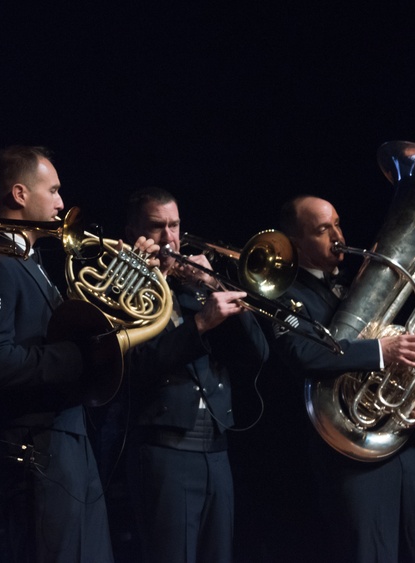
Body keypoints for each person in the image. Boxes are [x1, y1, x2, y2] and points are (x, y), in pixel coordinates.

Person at [0, 145, 159, 563]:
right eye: (52, 190)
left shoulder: (31, 262)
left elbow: (73, 331)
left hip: (68, 438)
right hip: (36, 445)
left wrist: (127, 282)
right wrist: (77, 357)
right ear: (19, 195)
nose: (61, 202)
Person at [272, 195, 415, 563]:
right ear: (296, 243)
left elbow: (404, 358)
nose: (337, 235)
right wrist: (381, 351)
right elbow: (302, 355)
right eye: (322, 230)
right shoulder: (286, 294)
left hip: (399, 446)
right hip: (349, 457)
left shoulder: (358, 281)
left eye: (337, 223)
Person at [120, 187, 270, 562]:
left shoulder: (194, 289)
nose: (170, 238)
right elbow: (133, 368)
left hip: (216, 450)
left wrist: (212, 285)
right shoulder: (122, 287)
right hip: (164, 453)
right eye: (157, 227)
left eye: (175, 225)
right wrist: (200, 324)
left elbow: (257, 353)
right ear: (132, 232)